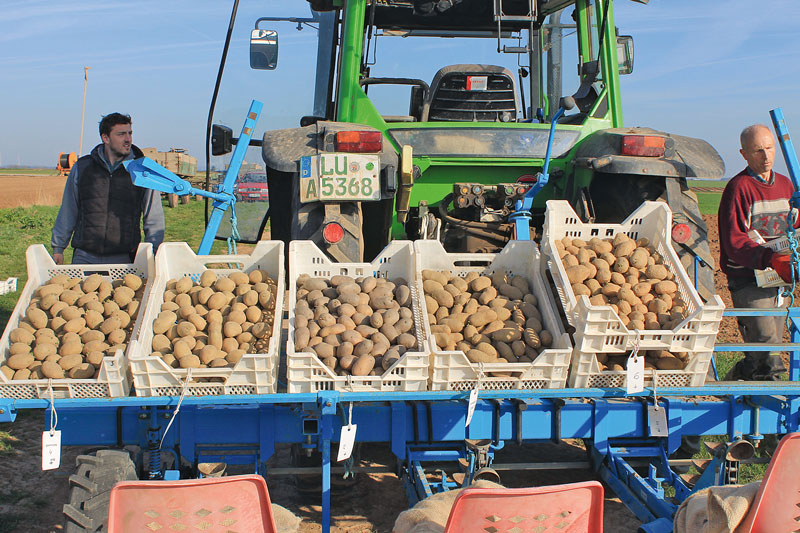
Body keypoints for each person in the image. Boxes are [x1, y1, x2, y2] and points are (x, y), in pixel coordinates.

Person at [718, 123, 797, 380]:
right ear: (744, 154)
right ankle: (770, 404)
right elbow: (734, 242)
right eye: (757, 151)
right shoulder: (739, 188)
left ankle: (732, 389)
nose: (765, 157)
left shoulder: (786, 186)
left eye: (769, 148)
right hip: (748, 279)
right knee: (767, 351)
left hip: (777, 280)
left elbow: (792, 227)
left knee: (763, 351)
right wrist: (769, 258)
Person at [51, 113, 164, 265]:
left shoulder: (142, 172)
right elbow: (68, 209)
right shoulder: (82, 168)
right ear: (105, 138)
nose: (128, 139)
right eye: (121, 134)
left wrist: (154, 252)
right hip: (85, 257)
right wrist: (58, 247)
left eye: (130, 133)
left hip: (125, 258)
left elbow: (154, 216)